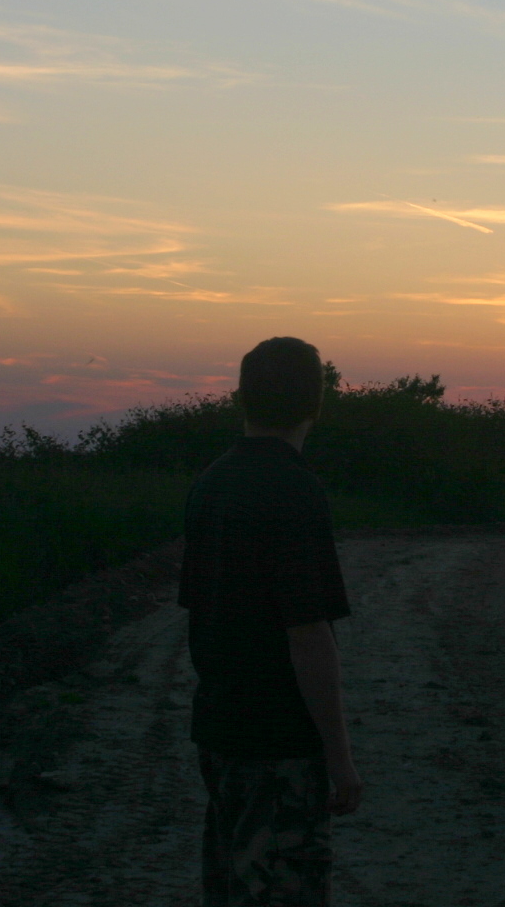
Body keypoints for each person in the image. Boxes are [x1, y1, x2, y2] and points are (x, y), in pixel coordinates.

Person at [179, 336, 361, 906]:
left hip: (221, 732)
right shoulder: (296, 491)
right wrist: (340, 758)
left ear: (242, 397)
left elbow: (201, 610)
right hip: (277, 742)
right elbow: (309, 635)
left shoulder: (211, 484)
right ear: (317, 403)